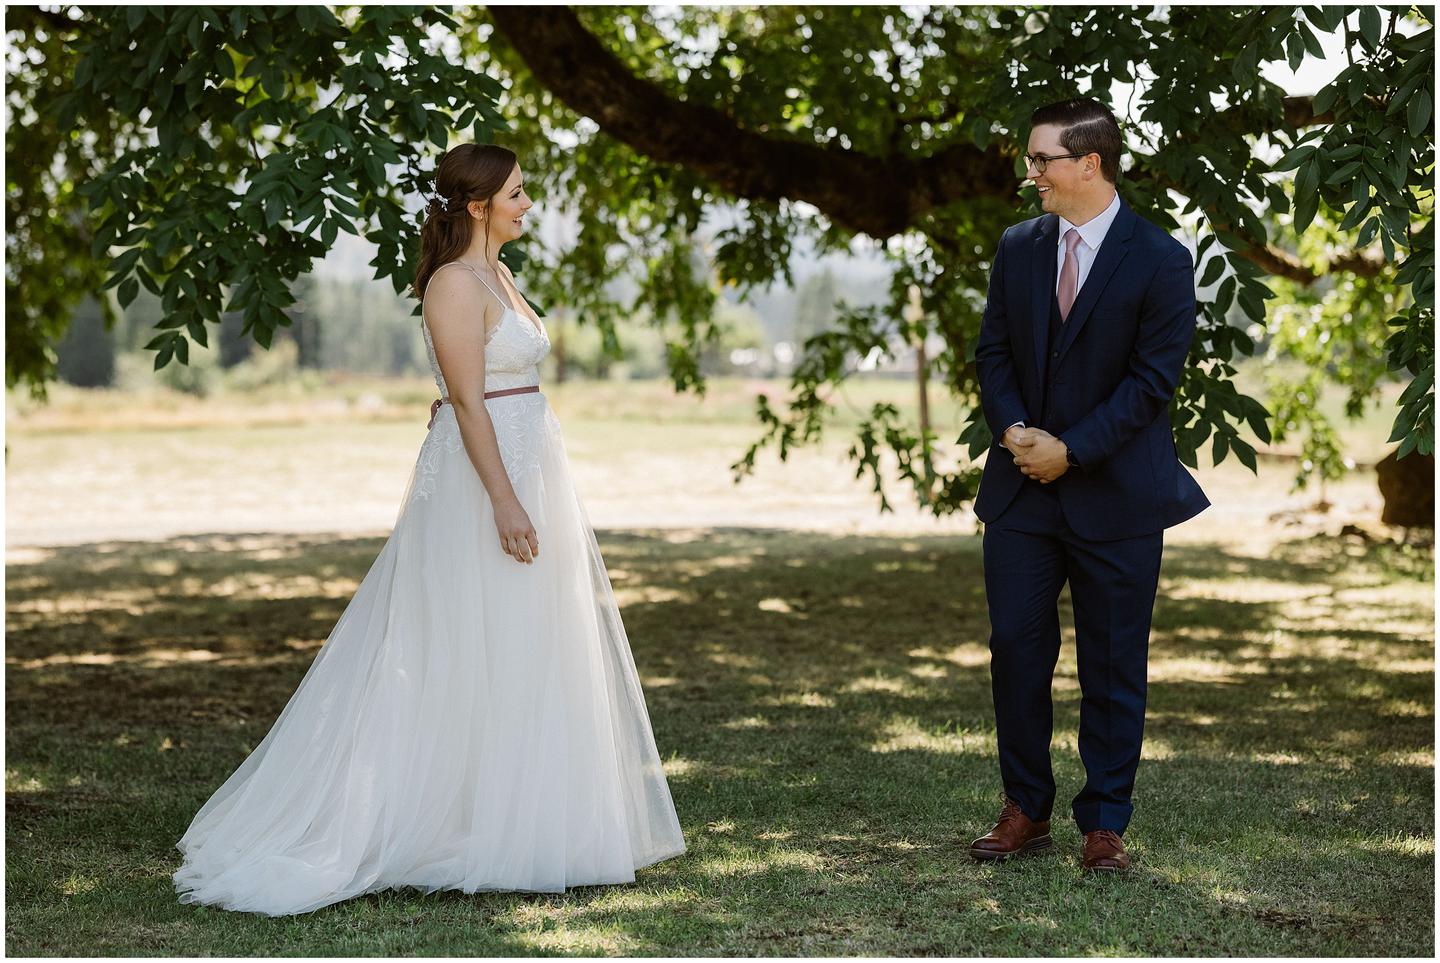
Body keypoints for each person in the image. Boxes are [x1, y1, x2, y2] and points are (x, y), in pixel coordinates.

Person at [172, 143, 686, 916]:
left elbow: (487, 386)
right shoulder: (452, 282)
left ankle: (522, 820)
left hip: (528, 463)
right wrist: (504, 499)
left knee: (527, 638)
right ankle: (437, 820)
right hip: (486, 484)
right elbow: (469, 400)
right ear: (478, 205)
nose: (527, 205)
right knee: (470, 635)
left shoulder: (498, 275)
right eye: (516, 194)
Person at [968, 98, 1210, 873]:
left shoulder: (1163, 258)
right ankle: (1025, 807)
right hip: (1021, 491)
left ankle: (1105, 822)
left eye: (1041, 160)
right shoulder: (1018, 247)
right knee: (1015, 650)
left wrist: (1071, 451)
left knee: (1113, 660)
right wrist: (1015, 433)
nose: (1030, 173)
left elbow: (1151, 383)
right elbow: (993, 353)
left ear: (1090, 163)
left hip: (1119, 493)